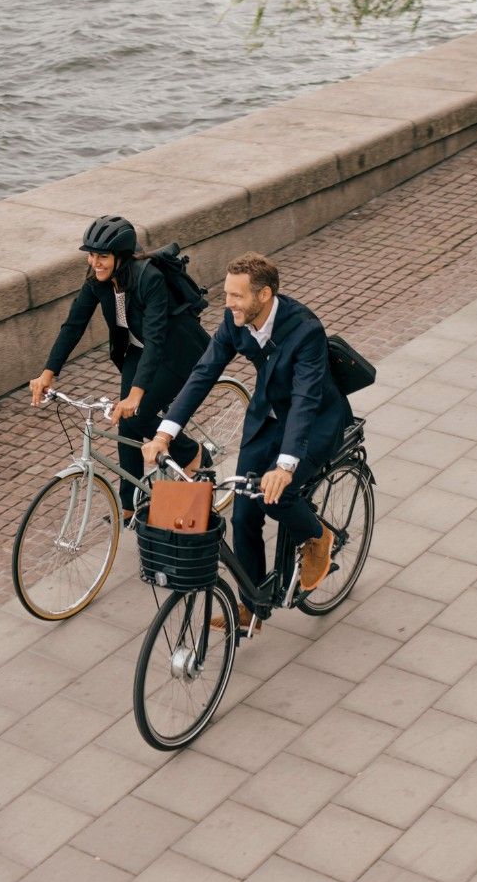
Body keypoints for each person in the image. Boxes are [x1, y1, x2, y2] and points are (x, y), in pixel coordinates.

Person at [142, 251, 353, 632]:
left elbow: (305, 400)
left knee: (276, 495)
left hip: (315, 422)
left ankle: (317, 535)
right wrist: (165, 433)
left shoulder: (304, 329)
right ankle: (252, 607)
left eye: (236, 296)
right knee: (242, 515)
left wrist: (285, 467)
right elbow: (204, 372)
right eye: (227, 294)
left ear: (264, 295)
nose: (228, 303)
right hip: (267, 419)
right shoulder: (234, 320)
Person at [30, 215, 211, 521]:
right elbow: (74, 324)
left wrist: (136, 394)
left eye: (102, 256)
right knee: (125, 422)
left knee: (137, 415)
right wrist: (48, 372)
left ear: (120, 256)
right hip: (137, 351)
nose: (94, 262)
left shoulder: (148, 278)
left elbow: (156, 338)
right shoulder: (97, 280)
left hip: (177, 351)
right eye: (91, 255)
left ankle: (192, 452)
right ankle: (130, 506)